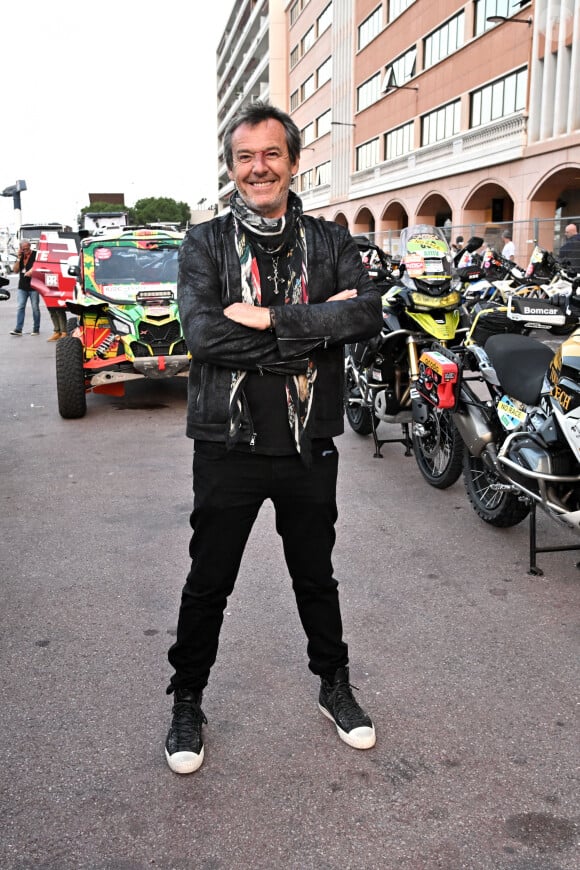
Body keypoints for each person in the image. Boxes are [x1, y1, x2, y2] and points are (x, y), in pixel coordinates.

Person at [165, 101, 383, 775]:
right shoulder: (203, 244)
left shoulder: (329, 241)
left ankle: (334, 684)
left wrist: (262, 317)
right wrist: (308, 331)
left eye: (271, 154)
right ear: (232, 168)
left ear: (292, 160)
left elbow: (367, 316)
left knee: (316, 576)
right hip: (227, 444)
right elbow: (202, 334)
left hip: (307, 444)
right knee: (209, 581)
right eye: (245, 157)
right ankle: (187, 699)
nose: (258, 168)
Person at [10, 241, 40, 335]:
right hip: (22, 287)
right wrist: (19, 259)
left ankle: (36, 329)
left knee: (35, 308)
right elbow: (15, 270)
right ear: (21, 249)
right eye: (23, 249)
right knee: (20, 307)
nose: (25, 250)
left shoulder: (35, 255)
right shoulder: (21, 256)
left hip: (34, 286)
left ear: (30, 246)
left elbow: (39, 267)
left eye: (27, 248)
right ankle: (18, 329)